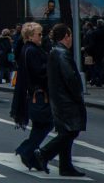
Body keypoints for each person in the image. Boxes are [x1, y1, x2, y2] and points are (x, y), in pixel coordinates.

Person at [33, 23, 87, 177]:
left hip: (59, 98)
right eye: (70, 36)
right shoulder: (62, 53)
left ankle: (65, 166)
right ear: (66, 36)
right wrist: (78, 95)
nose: (71, 39)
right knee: (71, 131)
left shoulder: (55, 51)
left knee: (66, 131)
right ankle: (44, 154)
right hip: (66, 100)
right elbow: (70, 77)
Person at [11, 22, 52, 172]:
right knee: (47, 123)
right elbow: (39, 72)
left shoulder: (28, 49)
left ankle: (31, 157)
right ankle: (26, 150)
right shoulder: (32, 50)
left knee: (39, 125)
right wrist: (50, 68)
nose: (41, 37)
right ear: (30, 36)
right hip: (38, 93)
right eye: (39, 34)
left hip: (34, 93)